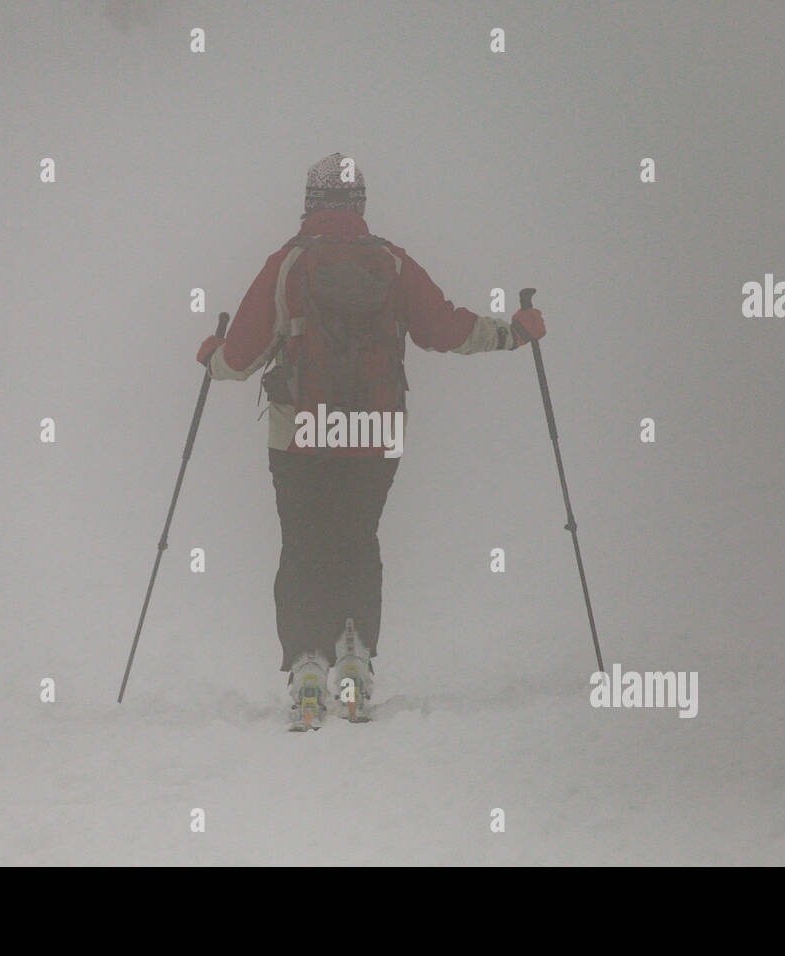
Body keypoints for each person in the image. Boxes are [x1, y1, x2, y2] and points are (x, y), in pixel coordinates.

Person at [197, 152, 546, 730]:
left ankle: (307, 661)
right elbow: (446, 329)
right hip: (375, 431)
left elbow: (241, 356)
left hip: (301, 435)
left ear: (310, 201)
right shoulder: (392, 262)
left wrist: (212, 359)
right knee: (358, 538)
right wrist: (513, 334)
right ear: (360, 203)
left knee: (302, 543)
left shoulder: (288, 265)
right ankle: (354, 655)